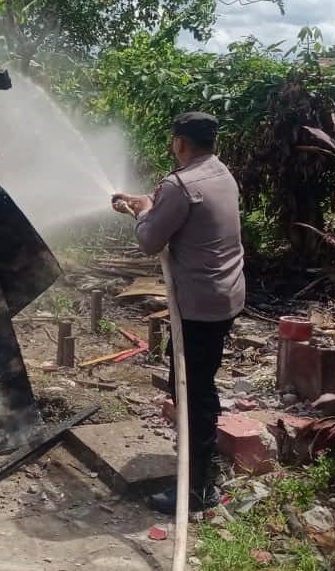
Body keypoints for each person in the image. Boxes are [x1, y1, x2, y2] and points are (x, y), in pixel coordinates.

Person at [112, 111, 245, 516]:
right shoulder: (220, 173)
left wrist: (139, 213)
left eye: (174, 141)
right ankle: (203, 470)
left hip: (198, 305)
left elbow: (150, 241)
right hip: (226, 297)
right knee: (199, 386)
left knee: (191, 393)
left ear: (181, 143)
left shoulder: (180, 184)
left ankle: (197, 489)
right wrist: (150, 205)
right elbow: (175, 217)